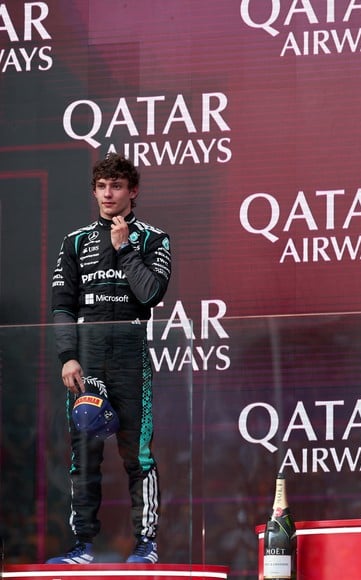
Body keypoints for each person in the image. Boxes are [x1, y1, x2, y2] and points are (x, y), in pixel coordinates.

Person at [48, 153, 171, 563]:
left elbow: (150, 294)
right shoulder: (75, 241)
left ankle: (147, 545)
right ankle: (82, 546)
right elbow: (62, 306)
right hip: (87, 357)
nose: (107, 194)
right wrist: (68, 356)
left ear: (132, 192)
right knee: (84, 453)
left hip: (131, 357)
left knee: (137, 455)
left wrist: (125, 250)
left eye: (116, 186)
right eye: (101, 187)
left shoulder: (154, 238)